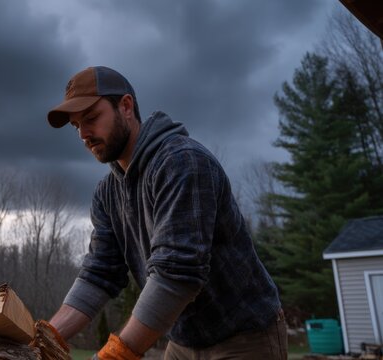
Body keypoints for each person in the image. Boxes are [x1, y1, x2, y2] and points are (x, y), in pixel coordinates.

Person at [42, 66, 287, 360]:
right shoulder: (107, 194)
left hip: (244, 336)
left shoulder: (183, 163)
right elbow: (99, 274)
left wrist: (114, 354)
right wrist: (45, 339)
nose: (83, 134)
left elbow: (176, 275)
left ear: (126, 106)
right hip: (183, 342)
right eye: (76, 125)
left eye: (92, 118)